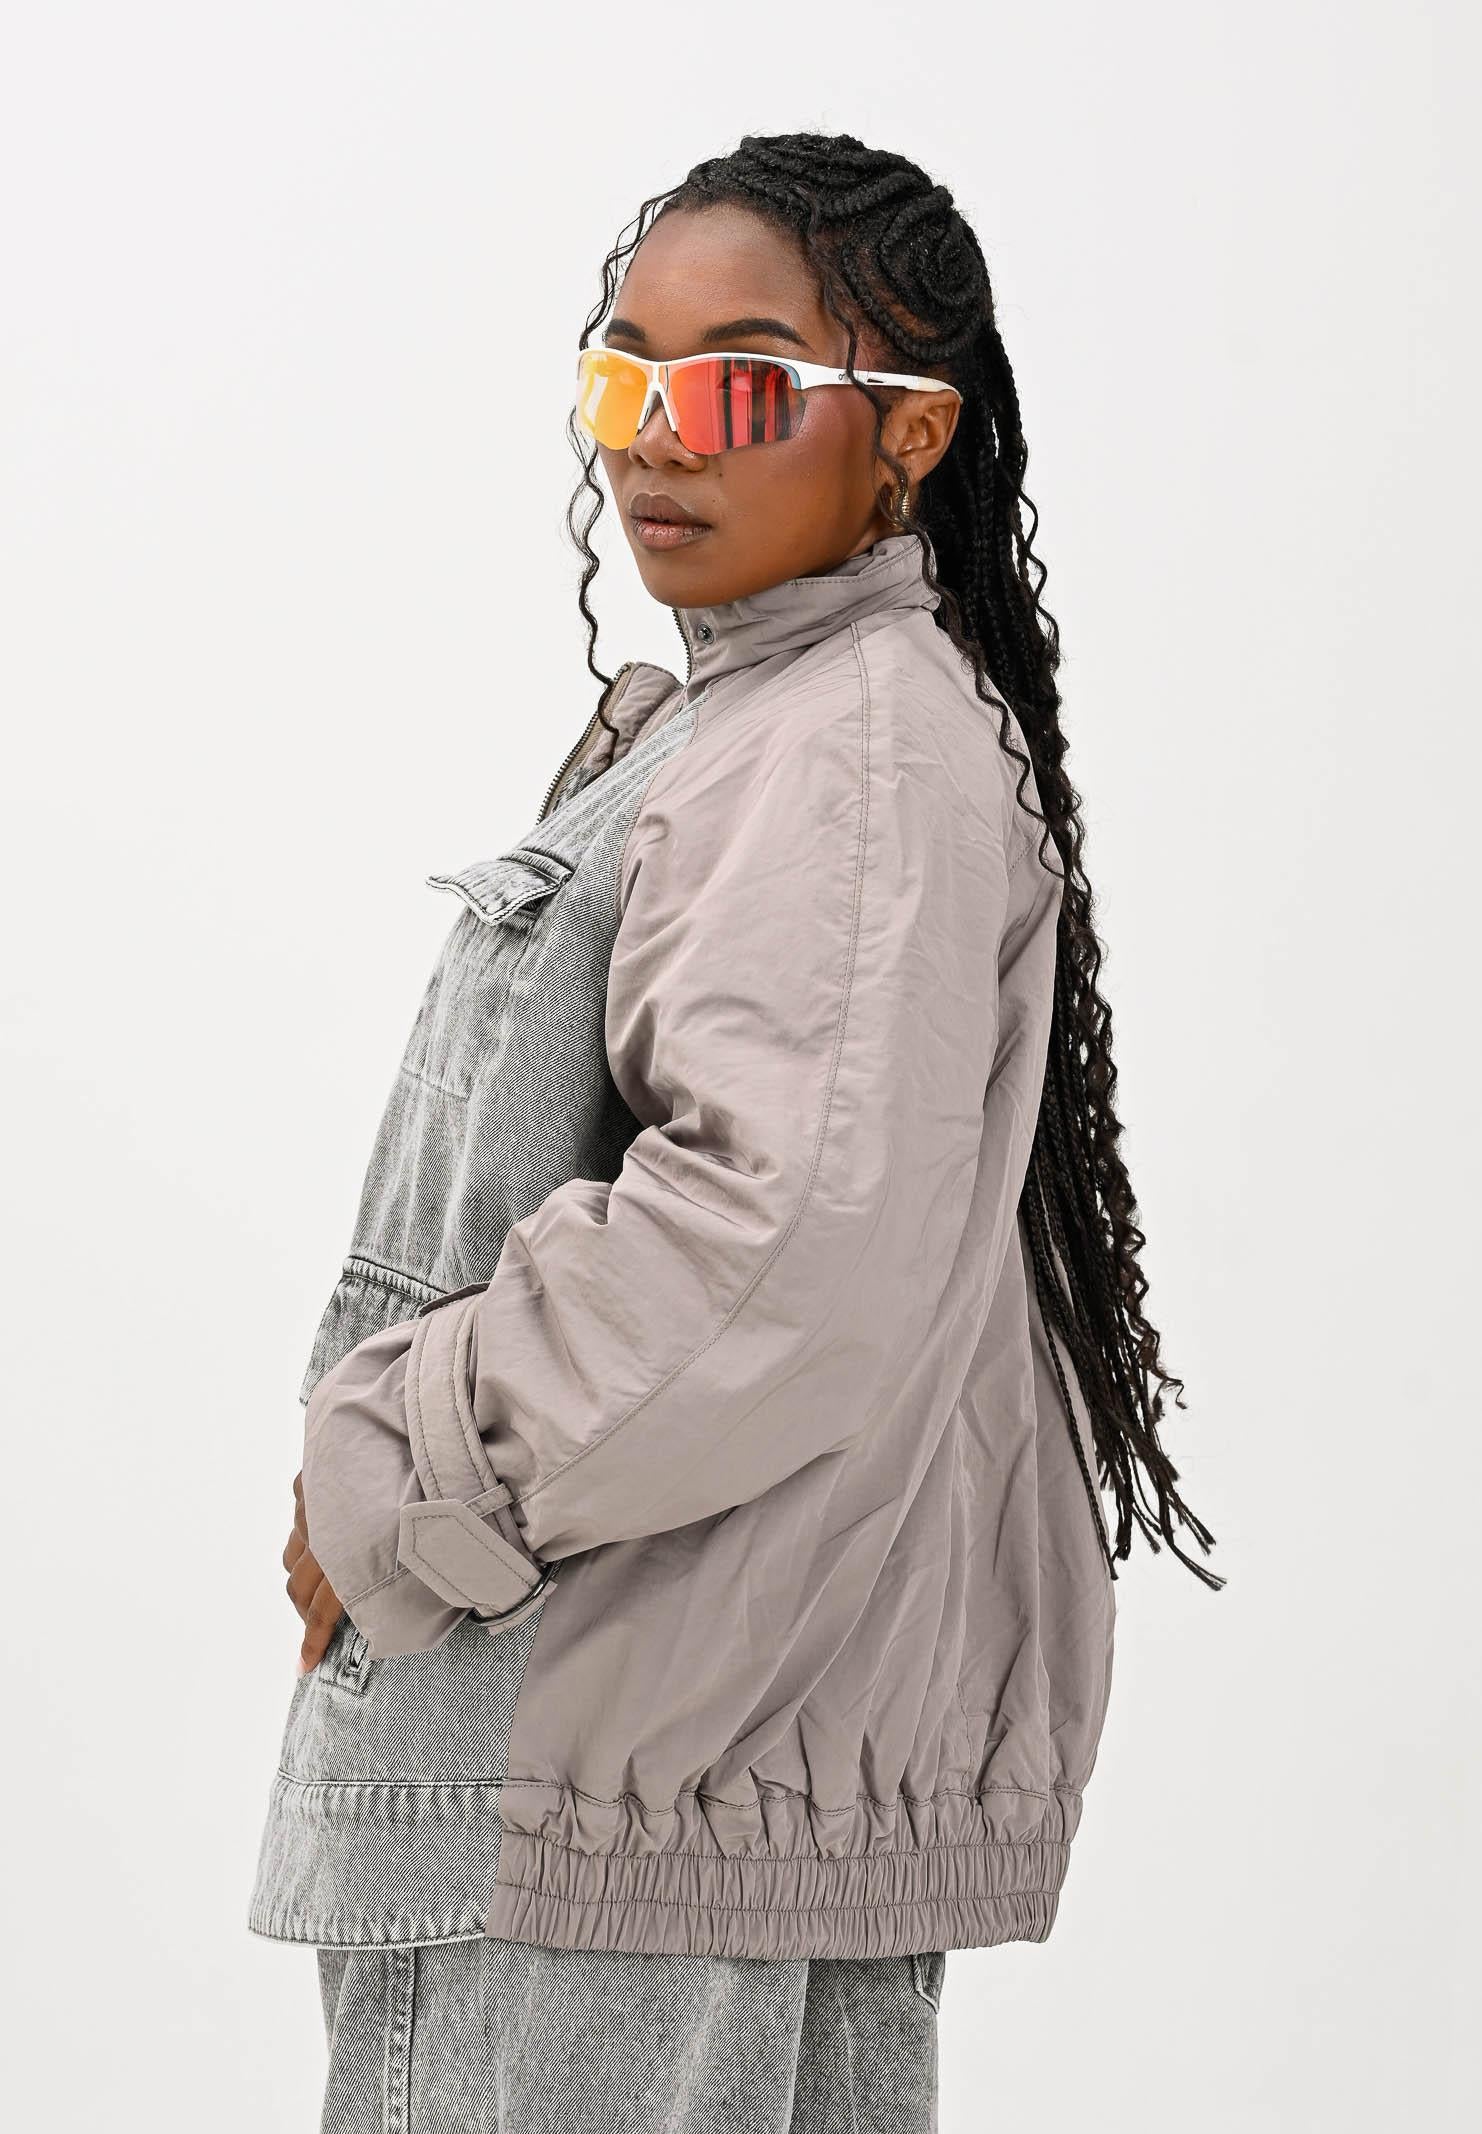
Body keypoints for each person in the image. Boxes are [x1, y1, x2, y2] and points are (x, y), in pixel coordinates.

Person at [250, 130, 1223, 2134]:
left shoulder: (836, 748)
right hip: (679, 1765)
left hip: (602, 1771)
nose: (658, 437)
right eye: (625, 376)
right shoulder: (797, 725)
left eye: (746, 384)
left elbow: (761, 1253)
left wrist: (395, 1471)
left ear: (911, 433)